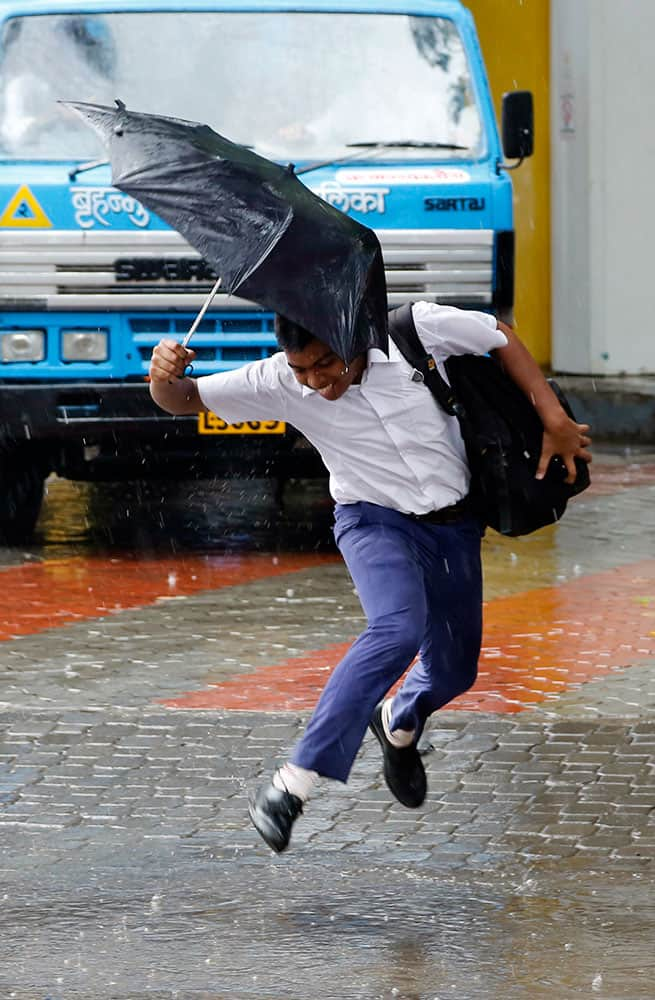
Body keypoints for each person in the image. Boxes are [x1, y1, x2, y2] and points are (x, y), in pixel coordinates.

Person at [148, 301, 592, 853]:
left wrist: (551, 415)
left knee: (455, 673)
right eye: (301, 370)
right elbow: (183, 400)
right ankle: (294, 783)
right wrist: (163, 375)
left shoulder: (415, 330)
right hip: (371, 520)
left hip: (453, 525)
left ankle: (399, 720)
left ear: (355, 339)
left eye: (326, 364)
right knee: (397, 629)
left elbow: (497, 333)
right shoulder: (280, 380)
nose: (316, 383)